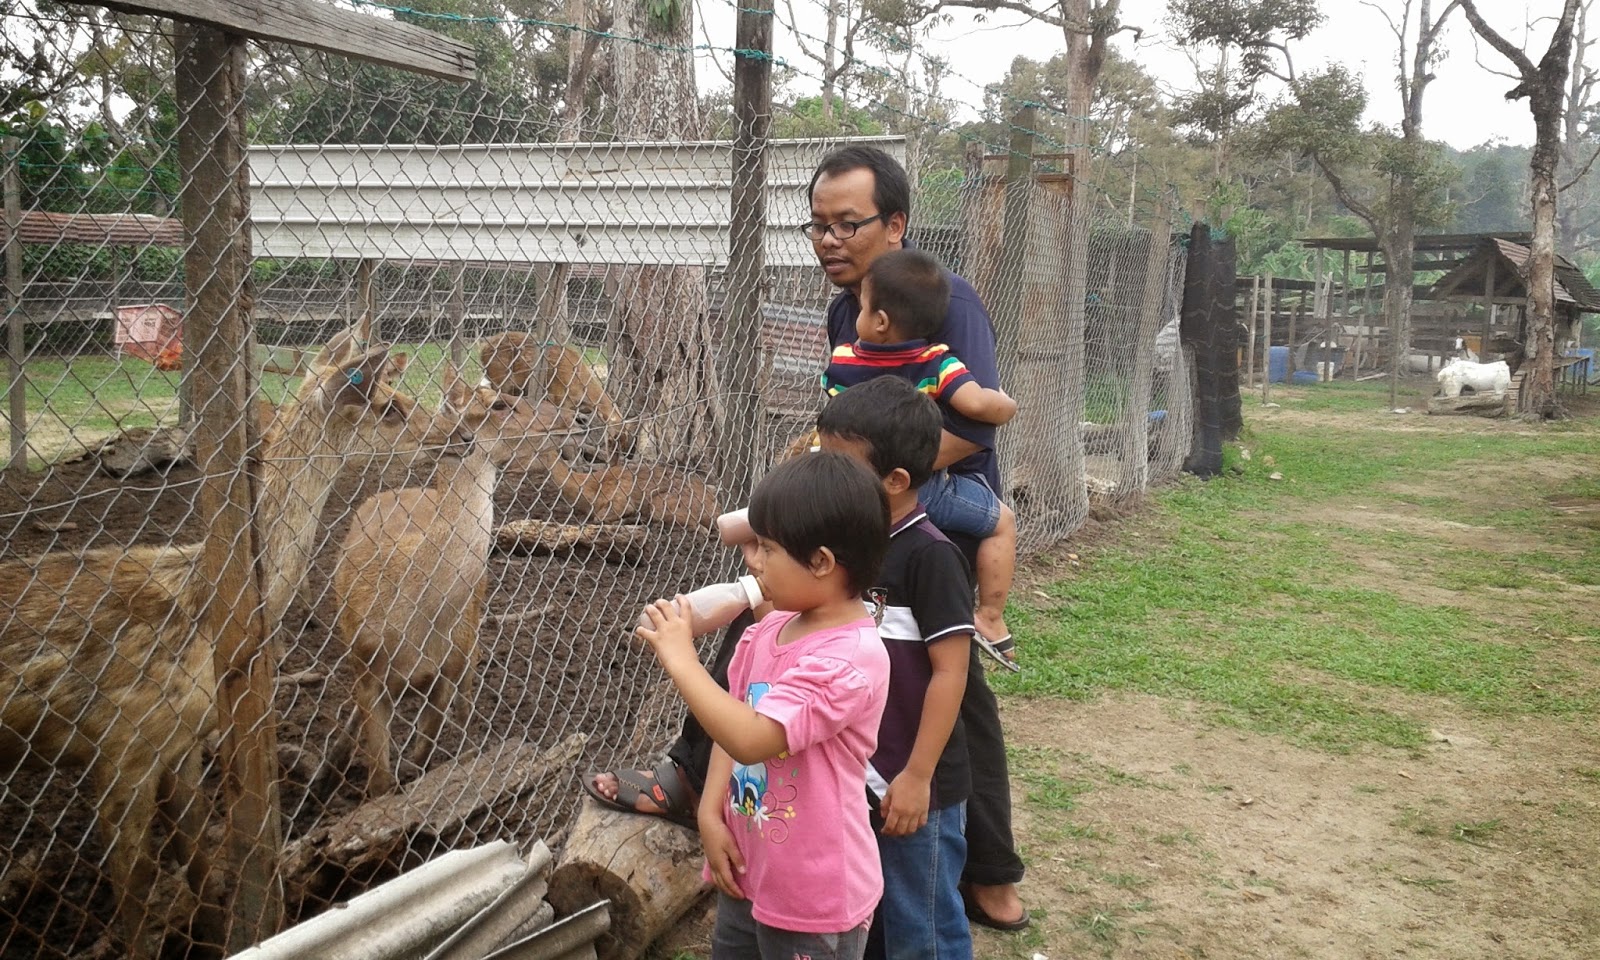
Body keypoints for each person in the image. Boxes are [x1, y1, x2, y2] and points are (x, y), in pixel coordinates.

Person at [584, 144, 1029, 932]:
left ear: (895, 224)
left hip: (921, 505)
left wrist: (850, 494)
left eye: (847, 224)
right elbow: (846, 417)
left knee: (949, 683)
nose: (828, 240)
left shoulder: (946, 300)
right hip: (862, 500)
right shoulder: (843, 310)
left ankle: (985, 868)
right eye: (816, 226)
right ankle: (706, 778)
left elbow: (959, 432)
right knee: (777, 620)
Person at [635, 452, 892, 959]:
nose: (751, 559)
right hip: (752, 868)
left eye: (767, 548)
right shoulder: (770, 630)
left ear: (820, 562)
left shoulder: (849, 661)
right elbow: (732, 722)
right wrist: (710, 813)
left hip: (815, 896)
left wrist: (682, 660)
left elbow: (752, 735)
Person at [817, 376, 974, 959]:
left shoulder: (930, 556)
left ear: (896, 481)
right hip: (857, 777)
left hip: (914, 784)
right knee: (870, 917)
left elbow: (951, 673)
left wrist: (917, 778)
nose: (826, 478)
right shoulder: (846, 545)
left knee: (922, 923)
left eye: (841, 466)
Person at [821, 247, 1019, 663]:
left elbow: (835, 416)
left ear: (879, 321)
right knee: (1002, 521)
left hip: (848, 484)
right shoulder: (935, 361)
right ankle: (990, 616)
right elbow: (979, 407)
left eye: (862, 305)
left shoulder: (843, 362)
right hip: (923, 490)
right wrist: (1006, 404)